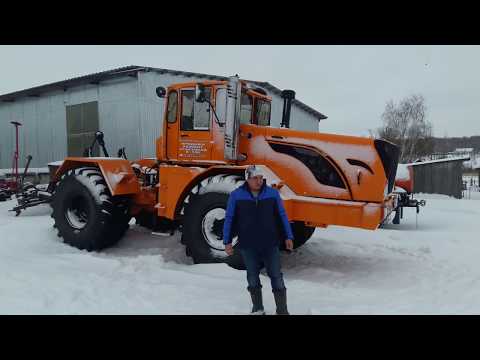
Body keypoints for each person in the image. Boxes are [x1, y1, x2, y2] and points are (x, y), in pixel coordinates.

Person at [223, 165, 294, 315]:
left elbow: (282, 216)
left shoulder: (272, 194)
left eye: (260, 178)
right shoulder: (236, 195)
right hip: (248, 244)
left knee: (276, 275)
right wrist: (227, 241)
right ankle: (258, 308)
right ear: (247, 179)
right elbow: (229, 218)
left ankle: (282, 310)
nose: (258, 181)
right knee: (252, 276)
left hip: (270, 243)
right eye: (255, 178)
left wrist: (288, 236)